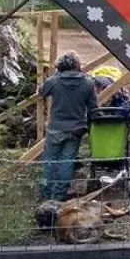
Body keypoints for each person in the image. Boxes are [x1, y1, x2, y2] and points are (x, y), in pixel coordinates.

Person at [39, 52, 97, 200]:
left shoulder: (54, 81)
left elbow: (41, 92)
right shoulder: (88, 83)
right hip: (76, 129)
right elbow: (93, 109)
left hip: (56, 128)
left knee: (50, 161)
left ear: (60, 66)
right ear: (78, 65)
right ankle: (59, 195)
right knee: (67, 162)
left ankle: (46, 193)